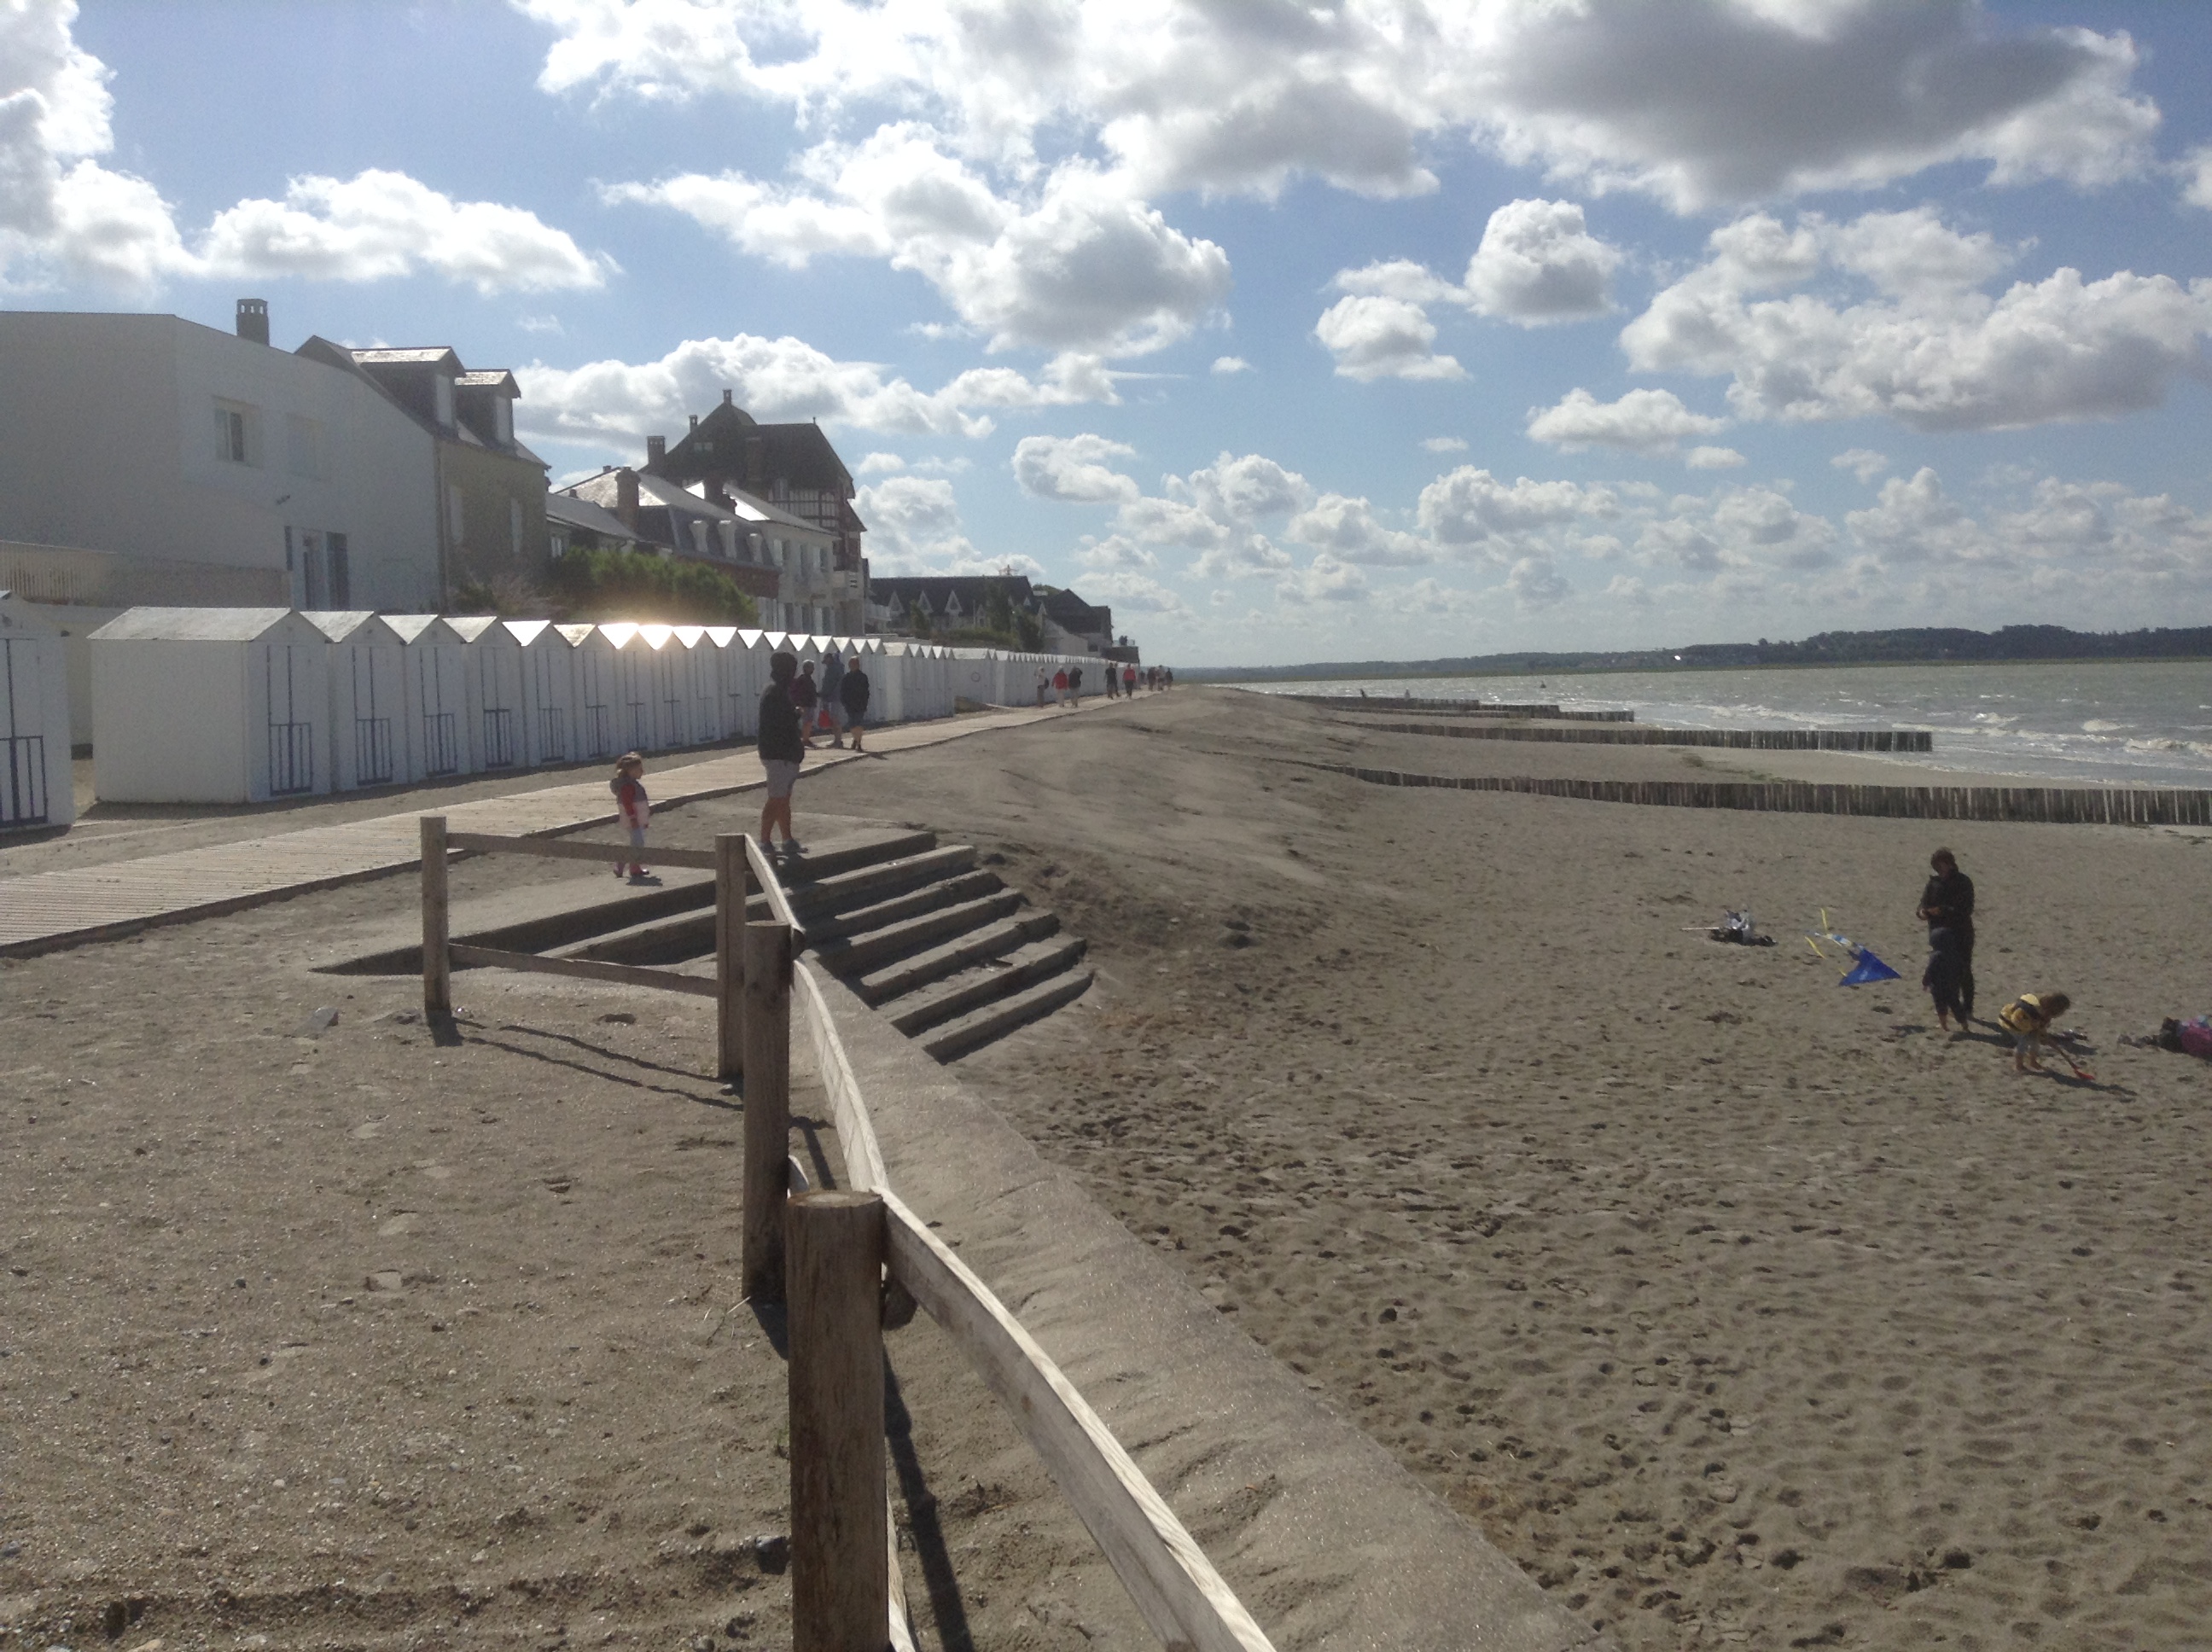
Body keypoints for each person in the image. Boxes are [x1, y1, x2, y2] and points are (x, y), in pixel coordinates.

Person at [1915, 848, 1976, 1025]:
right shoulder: (1933, 883)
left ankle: (1968, 1007)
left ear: (1949, 863)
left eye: (1942, 864)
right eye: (1937, 865)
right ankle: (1948, 1006)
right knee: (1941, 970)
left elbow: (1966, 909)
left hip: (1960, 932)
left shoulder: (1963, 882)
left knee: (1963, 969)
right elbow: (1922, 904)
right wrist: (1922, 912)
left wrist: (1942, 910)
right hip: (1938, 933)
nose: (1940, 868)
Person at [758, 652, 806, 856]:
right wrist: (795, 714)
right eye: (792, 669)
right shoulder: (774, 693)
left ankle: (787, 839)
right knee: (776, 798)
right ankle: (764, 841)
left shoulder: (778, 691)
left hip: (785, 754)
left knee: (783, 799)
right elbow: (778, 724)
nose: (794, 674)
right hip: (779, 754)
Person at [1999, 991, 2071, 1073]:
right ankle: (2018, 1066)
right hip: (2011, 1022)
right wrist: (2040, 1033)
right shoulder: (2033, 1010)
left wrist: (2044, 1037)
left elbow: (2041, 1028)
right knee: (2024, 1042)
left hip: (2028, 1023)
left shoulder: (2045, 1011)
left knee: (2035, 1042)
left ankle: (2033, 1062)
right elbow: (2024, 1023)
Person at [610, 752, 655, 882]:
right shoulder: (628, 786)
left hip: (637, 819)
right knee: (637, 843)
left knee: (636, 842)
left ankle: (628, 866)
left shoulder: (633, 784)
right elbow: (627, 804)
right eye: (639, 769)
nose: (642, 771)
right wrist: (633, 818)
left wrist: (643, 819)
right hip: (633, 820)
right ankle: (627, 865)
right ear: (630, 771)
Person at [838, 654, 870, 752]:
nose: (852, 665)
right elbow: (842, 691)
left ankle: (859, 743)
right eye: (851, 663)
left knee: (858, 723)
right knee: (852, 725)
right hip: (850, 705)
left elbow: (866, 691)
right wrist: (844, 702)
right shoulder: (846, 677)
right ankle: (856, 740)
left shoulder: (863, 677)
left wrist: (865, 702)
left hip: (860, 704)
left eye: (854, 663)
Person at [820, 650, 848, 747]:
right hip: (833, 696)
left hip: (835, 696)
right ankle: (837, 740)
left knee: (835, 718)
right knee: (833, 718)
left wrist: (826, 693)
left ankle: (838, 740)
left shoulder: (834, 669)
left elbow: (832, 684)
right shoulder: (834, 669)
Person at [791, 659, 821, 747]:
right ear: (806, 668)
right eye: (811, 667)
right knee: (807, 722)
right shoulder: (804, 679)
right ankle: (805, 739)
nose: (813, 669)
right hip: (806, 704)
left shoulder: (806, 679)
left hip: (808, 703)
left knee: (808, 722)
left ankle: (806, 738)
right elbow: (802, 692)